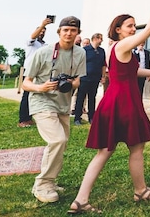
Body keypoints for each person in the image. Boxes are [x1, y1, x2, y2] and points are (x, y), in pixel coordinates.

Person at [68, 0, 150, 214]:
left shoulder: (118, 49)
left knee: (115, 149)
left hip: (116, 101)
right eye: (130, 26)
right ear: (118, 30)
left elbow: (133, 71)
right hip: (123, 103)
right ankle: (139, 190)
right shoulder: (123, 45)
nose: (133, 29)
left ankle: (81, 199)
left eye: (134, 26)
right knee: (132, 147)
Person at [22, 16, 87, 204]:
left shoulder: (80, 53)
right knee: (57, 140)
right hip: (41, 101)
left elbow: (78, 80)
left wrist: (71, 83)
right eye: (65, 30)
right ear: (59, 32)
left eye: (73, 30)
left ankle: (50, 180)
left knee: (61, 142)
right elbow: (26, 82)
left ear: (77, 33)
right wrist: (41, 87)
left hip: (63, 104)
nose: (69, 33)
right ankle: (42, 184)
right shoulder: (43, 52)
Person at [19, 15, 54, 128]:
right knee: (27, 94)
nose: (42, 33)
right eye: (40, 31)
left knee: (36, 95)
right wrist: (43, 25)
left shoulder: (44, 45)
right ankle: (23, 119)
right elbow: (32, 36)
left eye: (44, 31)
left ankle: (30, 117)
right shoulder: (31, 42)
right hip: (29, 71)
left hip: (40, 72)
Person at [74, 33, 107, 125]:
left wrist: (103, 76)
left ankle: (91, 117)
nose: (102, 40)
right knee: (80, 98)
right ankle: (77, 118)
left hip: (95, 79)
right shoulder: (84, 50)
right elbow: (78, 64)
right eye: (100, 39)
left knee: (92, 98)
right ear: (95, 38)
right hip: (84, 78)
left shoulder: (101, 51)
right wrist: (77, 76)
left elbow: (103, 65)